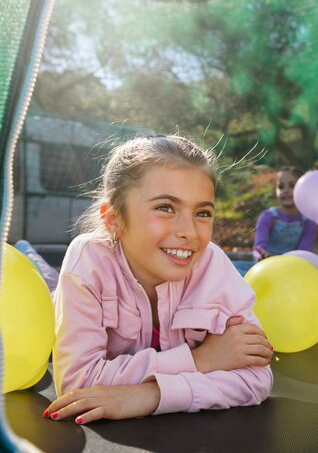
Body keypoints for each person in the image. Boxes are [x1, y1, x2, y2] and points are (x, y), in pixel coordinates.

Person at [42, 135, 274, 425]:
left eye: (202, 213)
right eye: (165, 207)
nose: (189, 231)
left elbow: (256, 379)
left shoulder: (213, 266)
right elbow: (78, 384)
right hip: (56, 298)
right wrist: (201, 360)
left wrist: (151, 396)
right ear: (113, 218)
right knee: (45, 282)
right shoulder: (88, 260)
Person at [253, 166, 317, 260]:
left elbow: (305, 255)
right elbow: (259, 247)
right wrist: (261, 255)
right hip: (266, 266)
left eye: (292, 186)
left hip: (292, 268)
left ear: (303, 189)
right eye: (281, 187)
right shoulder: (268, 216)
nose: (286, 191)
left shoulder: (308, 222)